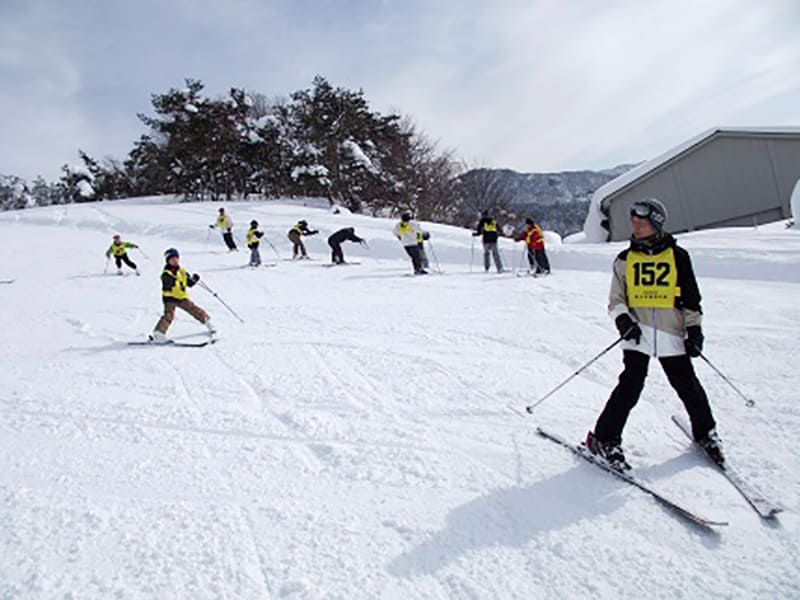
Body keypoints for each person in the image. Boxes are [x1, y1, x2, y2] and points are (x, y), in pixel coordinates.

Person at [585, 198, 723, 470]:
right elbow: (616, 299)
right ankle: (604, 438)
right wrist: (623, 321)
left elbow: (692, 299)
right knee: (630, 386)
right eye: (634, 222)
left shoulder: (678, 256)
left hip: (671, 332)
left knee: (687, 385)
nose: (635, 226)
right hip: (638, 332)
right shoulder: (624, 260)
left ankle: (705, 432)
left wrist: (694, 330)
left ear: (656, 223)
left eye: (642, 222)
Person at [149, 248, 215, 343]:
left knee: (194, 309)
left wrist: (194, 279)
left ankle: (208, 322)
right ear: (168, 261)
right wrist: (171, 281)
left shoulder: (182, 271)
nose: (175, 261)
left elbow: (189, 283)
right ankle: (158, 334)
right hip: (170, 298)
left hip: (181, 297)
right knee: (168, 315)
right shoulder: (166, 273)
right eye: (172, 259)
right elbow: (167, 284)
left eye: (176, 258)